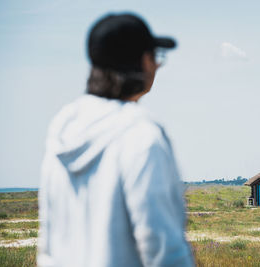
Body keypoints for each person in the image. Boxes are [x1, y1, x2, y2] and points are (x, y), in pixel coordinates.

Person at [38, 13, 194, 267]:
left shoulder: (62, 132)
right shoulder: (140, 135)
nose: (157, 66)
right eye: (156, 58)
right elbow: (164, 249)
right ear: (144, 61)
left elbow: (49, 247)